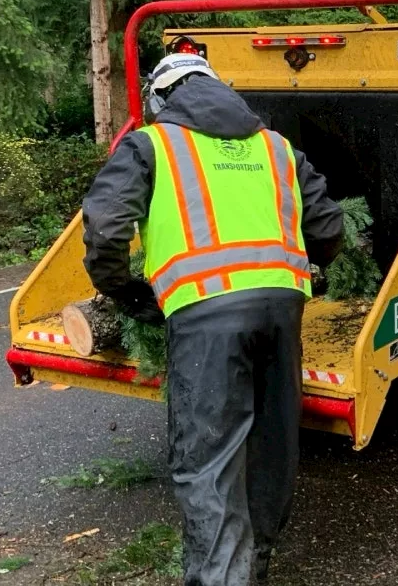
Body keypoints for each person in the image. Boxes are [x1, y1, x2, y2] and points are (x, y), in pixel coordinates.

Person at [81, 52, 344, 585]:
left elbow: (107, 229)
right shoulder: (276, 147)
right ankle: (257, 565)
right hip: (282, 308)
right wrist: (301, 271)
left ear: (160, 99)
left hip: (205, 315)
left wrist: (128, 292)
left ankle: (224, 578)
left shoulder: (152, 144)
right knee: (271, 446)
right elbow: (328, 227)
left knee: (208, 461)